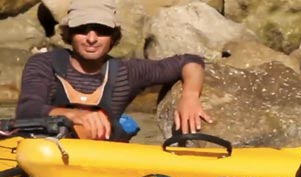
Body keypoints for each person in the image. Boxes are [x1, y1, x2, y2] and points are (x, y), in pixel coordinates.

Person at [15, 0, 212, 141]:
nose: (91, 39)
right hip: (44, 154)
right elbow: (26, 111)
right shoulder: (43, 64)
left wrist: (190, 96)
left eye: (101, 31)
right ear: (69, 34)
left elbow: (190, 61)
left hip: (99, 163)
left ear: (113, 37)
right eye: (82, 30)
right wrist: (75, 115)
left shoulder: (128, 72)